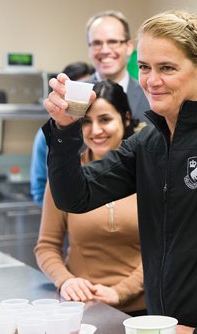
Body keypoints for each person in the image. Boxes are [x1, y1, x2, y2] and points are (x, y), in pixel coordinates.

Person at [43, 10, 197, 333]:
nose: (151, 80)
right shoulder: (149, 142)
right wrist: (65, 130)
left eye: (167, 68)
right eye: (145, 67)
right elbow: (74, 196)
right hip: (164, 325)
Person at [35, 80, 145, 315]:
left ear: (125, 118)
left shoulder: (148, 174)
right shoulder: (65, 180)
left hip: (143, 308)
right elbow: (46, 247)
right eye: (86, 121)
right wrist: (66, 281)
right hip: (83, 307)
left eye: (105, 119)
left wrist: (121, 291)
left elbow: (164, 249)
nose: (95, 130)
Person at [30, 62, 95, 207]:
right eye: (76, 89)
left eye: (86, 88)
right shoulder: (49, 133)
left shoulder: (100, 130)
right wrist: (59, 216)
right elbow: (39, 187)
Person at [86, 10, 150, 122]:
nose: (105, 50)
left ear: (129, 47)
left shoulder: (150, 94)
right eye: (97, 43)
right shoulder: (74, 96)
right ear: (89, 49)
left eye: (113, 42)